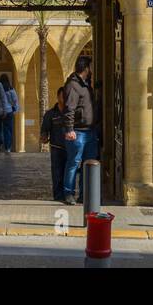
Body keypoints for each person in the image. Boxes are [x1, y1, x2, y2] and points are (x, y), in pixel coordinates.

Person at [60, 55, 98, 205]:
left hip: (90, 131)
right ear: (86, 68)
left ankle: (85, 194)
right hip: (78, 132)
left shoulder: (85, 84)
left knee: (88, 164)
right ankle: (68, 193)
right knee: (73, 163)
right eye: (91, 66)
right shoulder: (73, 85)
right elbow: (69, 108)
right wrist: (69, 129)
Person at [40, 86, 70, 200]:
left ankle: (67, 194)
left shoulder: (70, 113)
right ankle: (58, 196)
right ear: (58, 97)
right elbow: (44, 130)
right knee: (57, 173)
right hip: (56, 147)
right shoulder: (50, 114)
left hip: (69, 147)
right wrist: (44, 137)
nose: (65, 99)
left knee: (68, 172)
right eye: (63, 97)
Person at [0, 74, 19, 153]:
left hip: (0, 112)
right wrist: (14, 108)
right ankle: (8, 147)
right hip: (9, 111)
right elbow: (15, 100)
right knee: (8, 130)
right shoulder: (10, 89)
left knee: (0, 129)